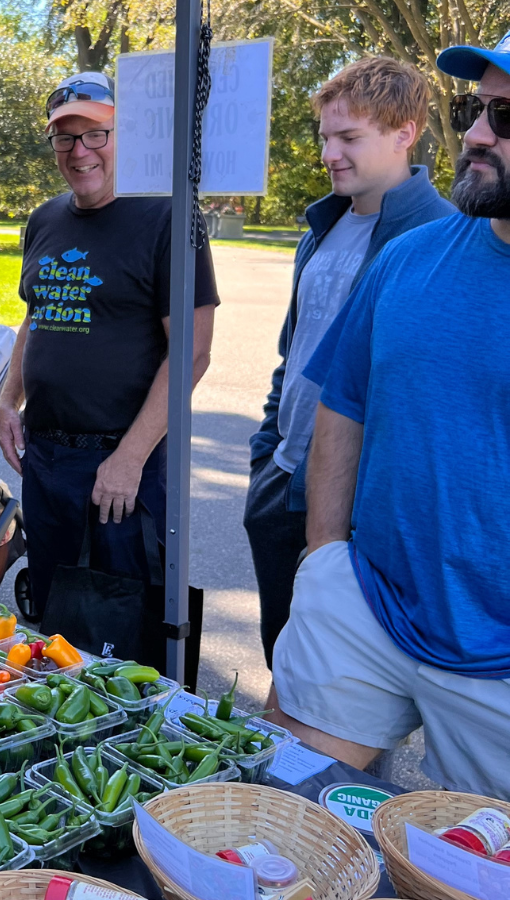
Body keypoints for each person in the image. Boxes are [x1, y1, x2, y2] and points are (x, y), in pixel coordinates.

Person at [267, 33, 510, 799]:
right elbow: (345, 403)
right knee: (275, 819)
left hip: (498, 663)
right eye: (478, 109)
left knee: (465, 873)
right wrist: (324, 561)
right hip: (364, 606)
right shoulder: (408, 259)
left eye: (505, 119)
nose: (473, 133)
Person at [244, 58, 455, 670]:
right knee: (284, 667)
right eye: (325, 138)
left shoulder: (442, 237)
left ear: (405, 133)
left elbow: (423, 399)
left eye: (349, 138)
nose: (330, 153)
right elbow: (294, 354)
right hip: (283, 482)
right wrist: (268, 453)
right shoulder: (321, 226)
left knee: (347, 698)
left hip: (361, 508)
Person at [0, 71, 219, 621]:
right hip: (46, 461)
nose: (80, 151)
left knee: (118, 628)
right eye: (65, 137)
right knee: (53, 618)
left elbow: (192, 350)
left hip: (121, 466)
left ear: (127, 135)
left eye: (97, 134)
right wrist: (8, 400)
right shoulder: (44, 219)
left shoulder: (169, 216)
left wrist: (131, 458)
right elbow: (38, 311)